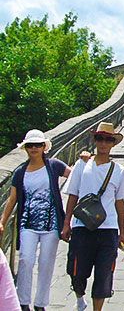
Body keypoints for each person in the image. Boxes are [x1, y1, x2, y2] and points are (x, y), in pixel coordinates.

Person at [0, 129, 73, 311]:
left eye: (37, 145)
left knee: (46, 264)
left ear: (44, 147)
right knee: (25, 259)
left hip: (51, 225)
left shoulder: (53, 165)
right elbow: (12, 199)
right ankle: (23, 302)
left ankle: (40, 304)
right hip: (27, 224)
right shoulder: (20, 172)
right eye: (30, 145)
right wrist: (2, 221)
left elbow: (74, 175)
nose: (34, 148)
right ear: (25, 148)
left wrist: (88, 162)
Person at [62, 122, 124, 311]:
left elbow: (120, 203)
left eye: (107, 139)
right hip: (82, 226)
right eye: (99, 138)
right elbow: (72, 195)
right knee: (77, 271)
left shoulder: (119, 171)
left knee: (103, 275)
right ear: (94, 140)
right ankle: (79, 299)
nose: (103, 143)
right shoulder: (81, 165)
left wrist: (122, 232)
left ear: (113, 144)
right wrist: (66, 223)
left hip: (107, 229)